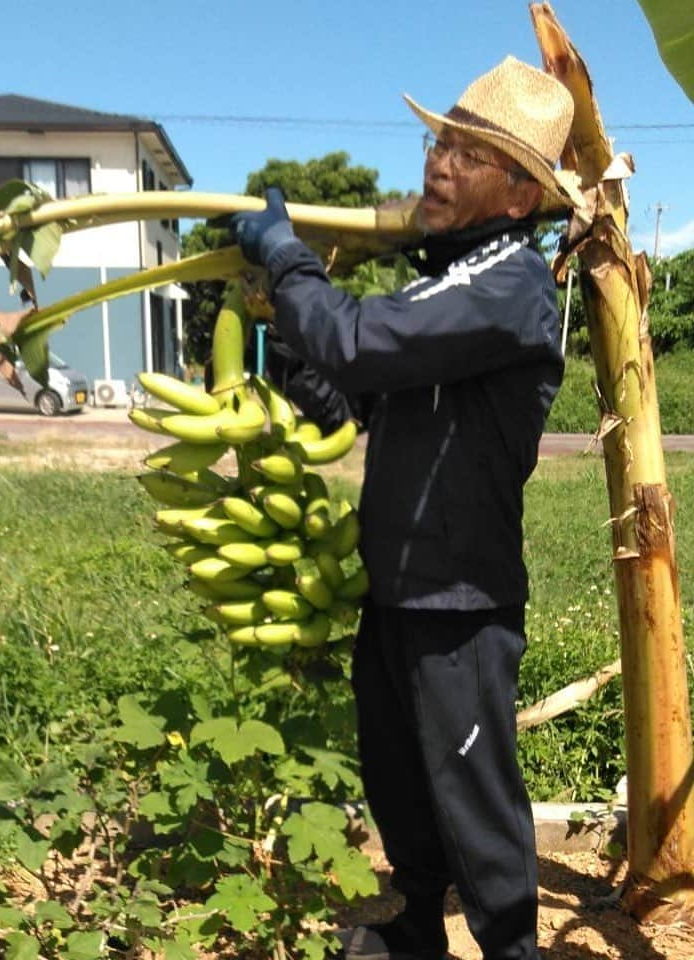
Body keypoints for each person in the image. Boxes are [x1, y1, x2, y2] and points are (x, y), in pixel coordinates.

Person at [227, 56, 580, 960]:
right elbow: (359, 400)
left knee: (475, 799)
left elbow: (360, 337)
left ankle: (509, 949)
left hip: (460, 602)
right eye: (440, 142)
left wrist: (291, 261)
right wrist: (292, 350)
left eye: (466, 154)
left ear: (515, 195)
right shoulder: (442, 283)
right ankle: (419, 929)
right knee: (401, 783)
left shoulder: (513, 287)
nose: (439, 164)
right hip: (399, 591)